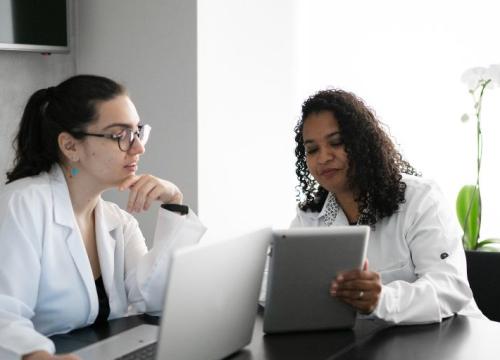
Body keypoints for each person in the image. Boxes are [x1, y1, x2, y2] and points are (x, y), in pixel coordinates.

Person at [0, 75, 206, 359]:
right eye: (119, 135)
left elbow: (154, 300)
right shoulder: (23, 203)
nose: (138, 148)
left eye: (137, 132)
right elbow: (3, 315)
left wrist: (174, 203)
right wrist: (37, 356)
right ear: (70, 146)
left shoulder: (116, 220)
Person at [291, 89, 483, 324]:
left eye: (337, 142)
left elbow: (450, 288)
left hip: (456, 338)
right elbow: (276, 286)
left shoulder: (420, 198)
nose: (323, 158)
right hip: (371, 343)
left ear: (363, 143)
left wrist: (382, 299)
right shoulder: (308, 219)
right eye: (312, 149)